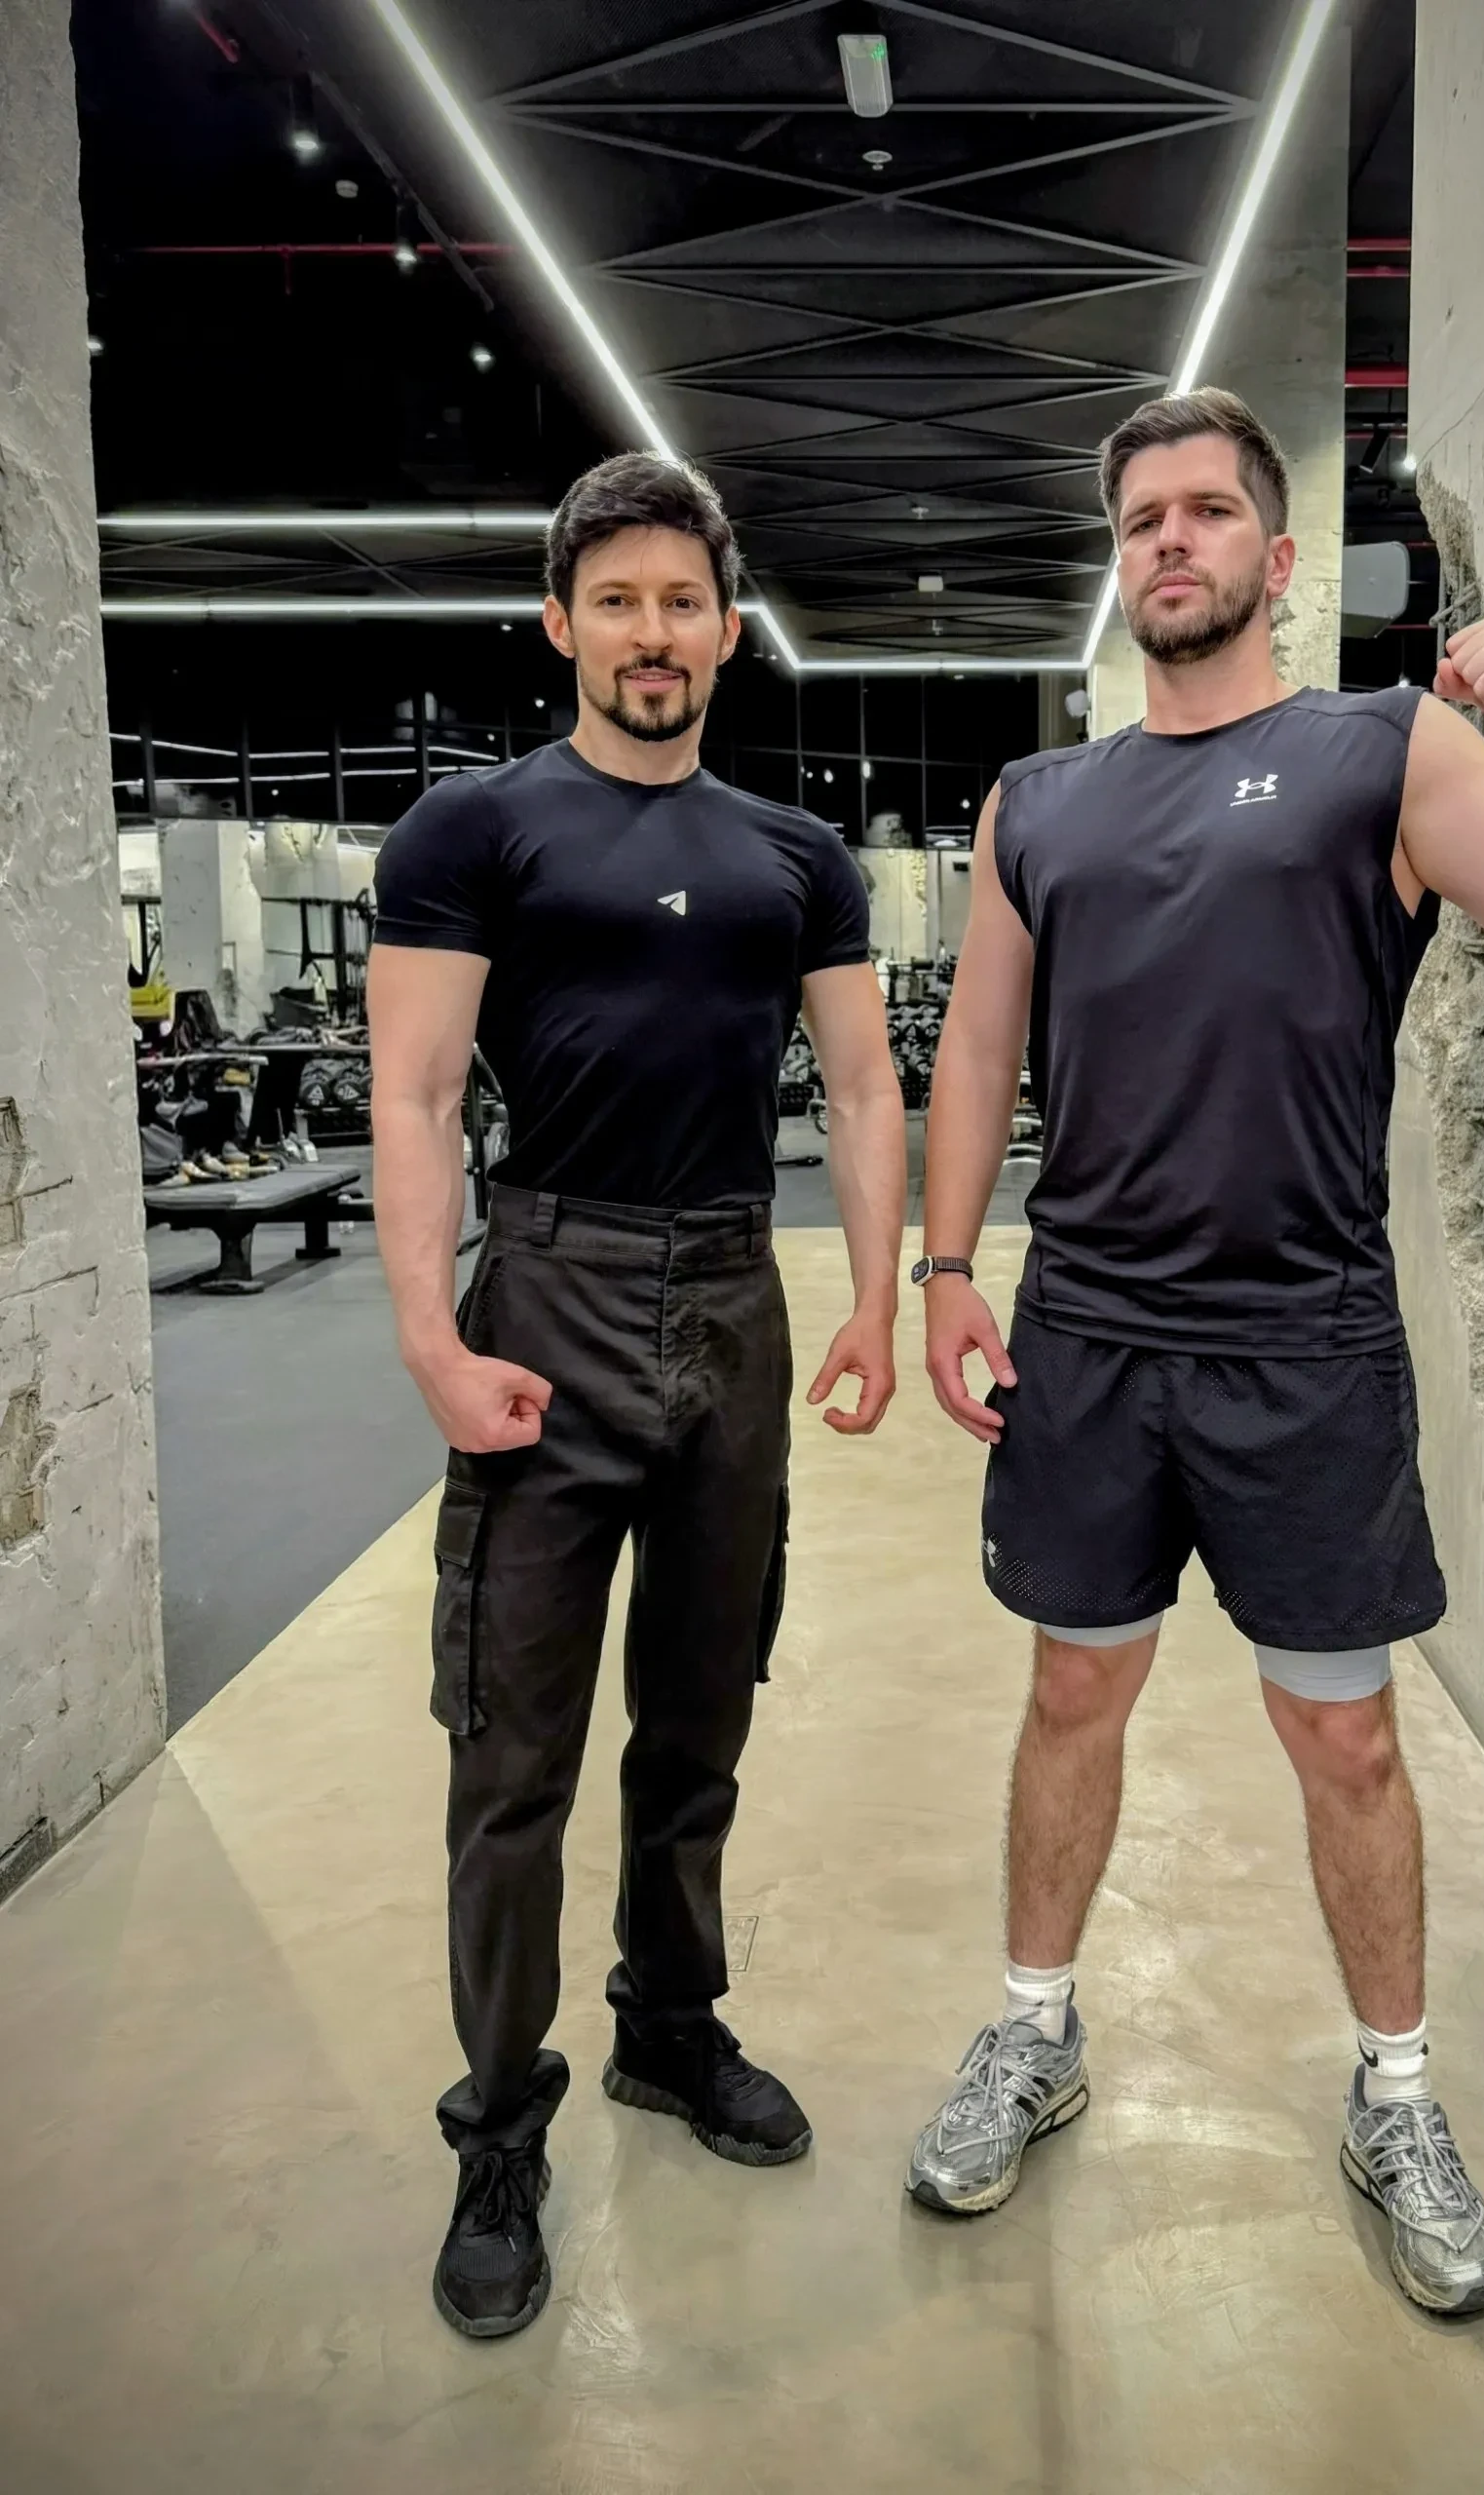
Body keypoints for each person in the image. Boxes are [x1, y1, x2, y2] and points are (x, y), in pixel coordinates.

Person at [903, 386, 1484, 2317]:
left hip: (1301, 1338)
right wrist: (945, 1264)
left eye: (1205, 509)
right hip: (1089, 1336)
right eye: (1140, 518)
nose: (1169, 539)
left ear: (1277, 552)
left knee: (1343, 1732)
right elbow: (980, 1047)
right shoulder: (1037, 804)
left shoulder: (1379, 752)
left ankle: (1396, 2095)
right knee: (1071, 1696)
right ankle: (1033, 2029)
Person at [369, 452, 906, 2340]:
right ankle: (498, 2124)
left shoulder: (797, 854)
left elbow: (862, 1083)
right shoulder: (473, 829)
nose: (652, 633)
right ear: (562, 625)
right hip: (552, 1290)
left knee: (698, 1715)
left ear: (726, 630)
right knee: (510, 1751)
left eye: (682, 601)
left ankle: (668, 2027)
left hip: (734, 1301)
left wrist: (879, 1297)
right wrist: (431, 1339)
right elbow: (418, 1091)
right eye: (618, 602)